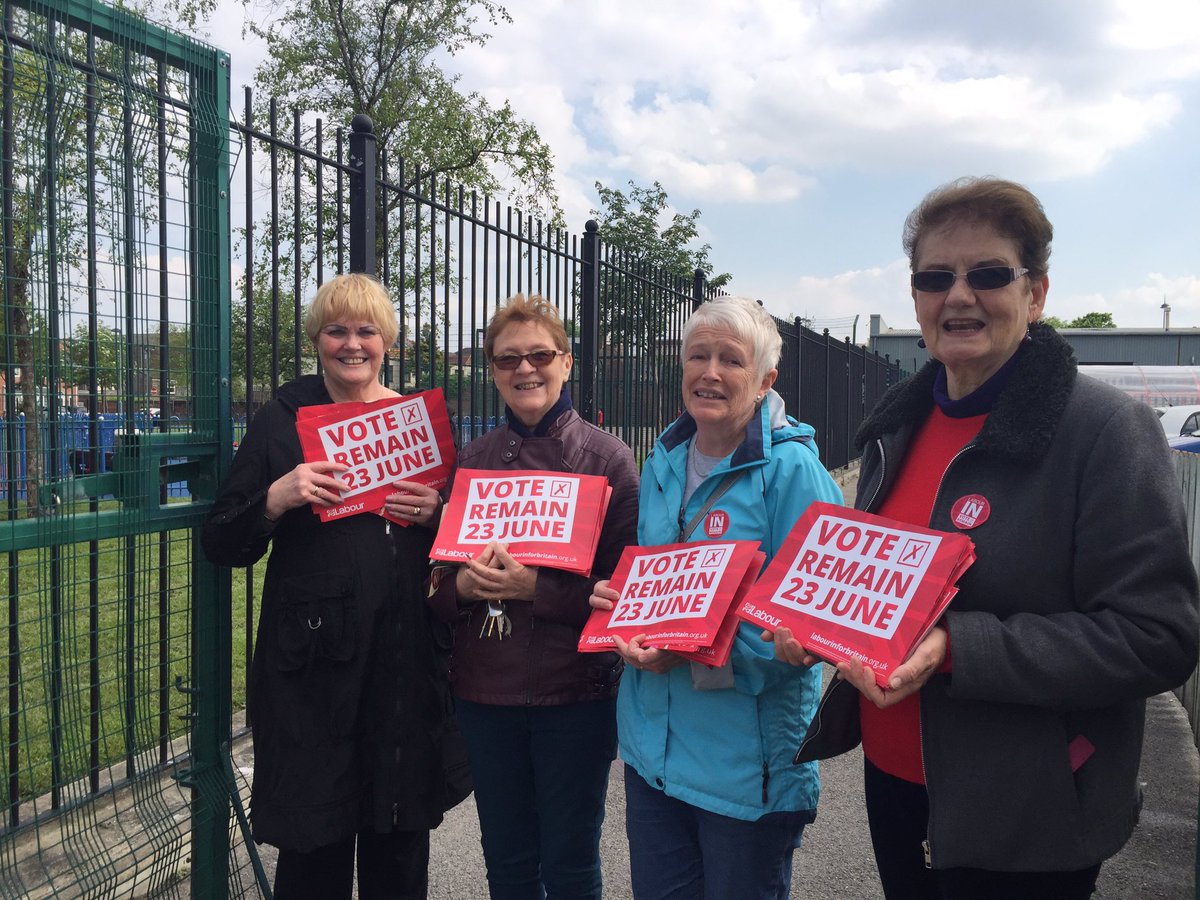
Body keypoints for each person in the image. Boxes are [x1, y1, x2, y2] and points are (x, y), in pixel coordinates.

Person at [773, 177, 1200, 900]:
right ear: (916, 298)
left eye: (989, 274)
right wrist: (813, 624)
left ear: (1035, 294)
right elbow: (878, 589)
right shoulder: (894, 426)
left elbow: (1158, 636)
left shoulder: (1103, 432)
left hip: (1027, 810)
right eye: (935, 277)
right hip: (896, 782)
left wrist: (957, 647)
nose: (958, 296)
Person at [202, 273, 471, 899]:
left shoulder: (416, 423)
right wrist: (276, 496)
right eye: (337, 330)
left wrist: (437, 513)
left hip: (402, 663)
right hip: (313, 668)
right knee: (314, 845)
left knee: (399, 840)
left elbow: (461, 535)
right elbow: (223, 541)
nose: (353, 344)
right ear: (316, 340)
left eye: (367, 331)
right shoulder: (281, 422)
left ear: (388, 342)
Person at [589, 296, 844, 900]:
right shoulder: (664, 458)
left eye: (731, 360)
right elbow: (664, 576)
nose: (710, 372)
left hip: (743, 768)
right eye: (697, 355)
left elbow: (811, 616)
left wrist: (697, 653)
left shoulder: (793, 474)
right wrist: (623, 602)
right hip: (654, 754)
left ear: (764, 381)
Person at [425, 293, 640, 900]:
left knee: (570, 864)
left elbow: (627, 595)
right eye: (507, 359)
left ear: (567, 362)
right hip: (484, 695)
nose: (525, 370)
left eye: (540, 355)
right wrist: (462, 587)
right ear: (492, 370)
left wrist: (535, 589)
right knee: (509, 864)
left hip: (573, 694)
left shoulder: (608, 460)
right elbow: (435, 581)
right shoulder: (472, 460)